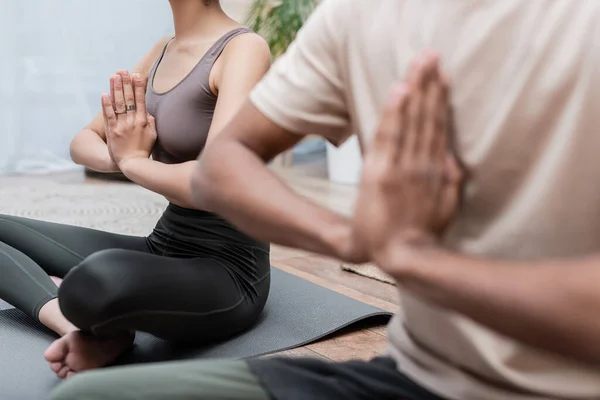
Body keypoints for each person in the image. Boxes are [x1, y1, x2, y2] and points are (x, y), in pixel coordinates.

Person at [51, 0, 600, 399]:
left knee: (93, 288)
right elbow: (224, 165)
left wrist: (411, 257)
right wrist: (354, 237)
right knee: (81, 396)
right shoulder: (357, 19)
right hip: (411, 375)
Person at [0, 0, 271, 380]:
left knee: (92, 283)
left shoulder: (243, 49)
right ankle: (74, 328)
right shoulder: (163, 50)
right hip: (162, 244)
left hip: (227, 270)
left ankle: (84, 305)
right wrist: (122, 156)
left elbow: (215, 183)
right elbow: (82, 142)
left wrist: (133, 162)